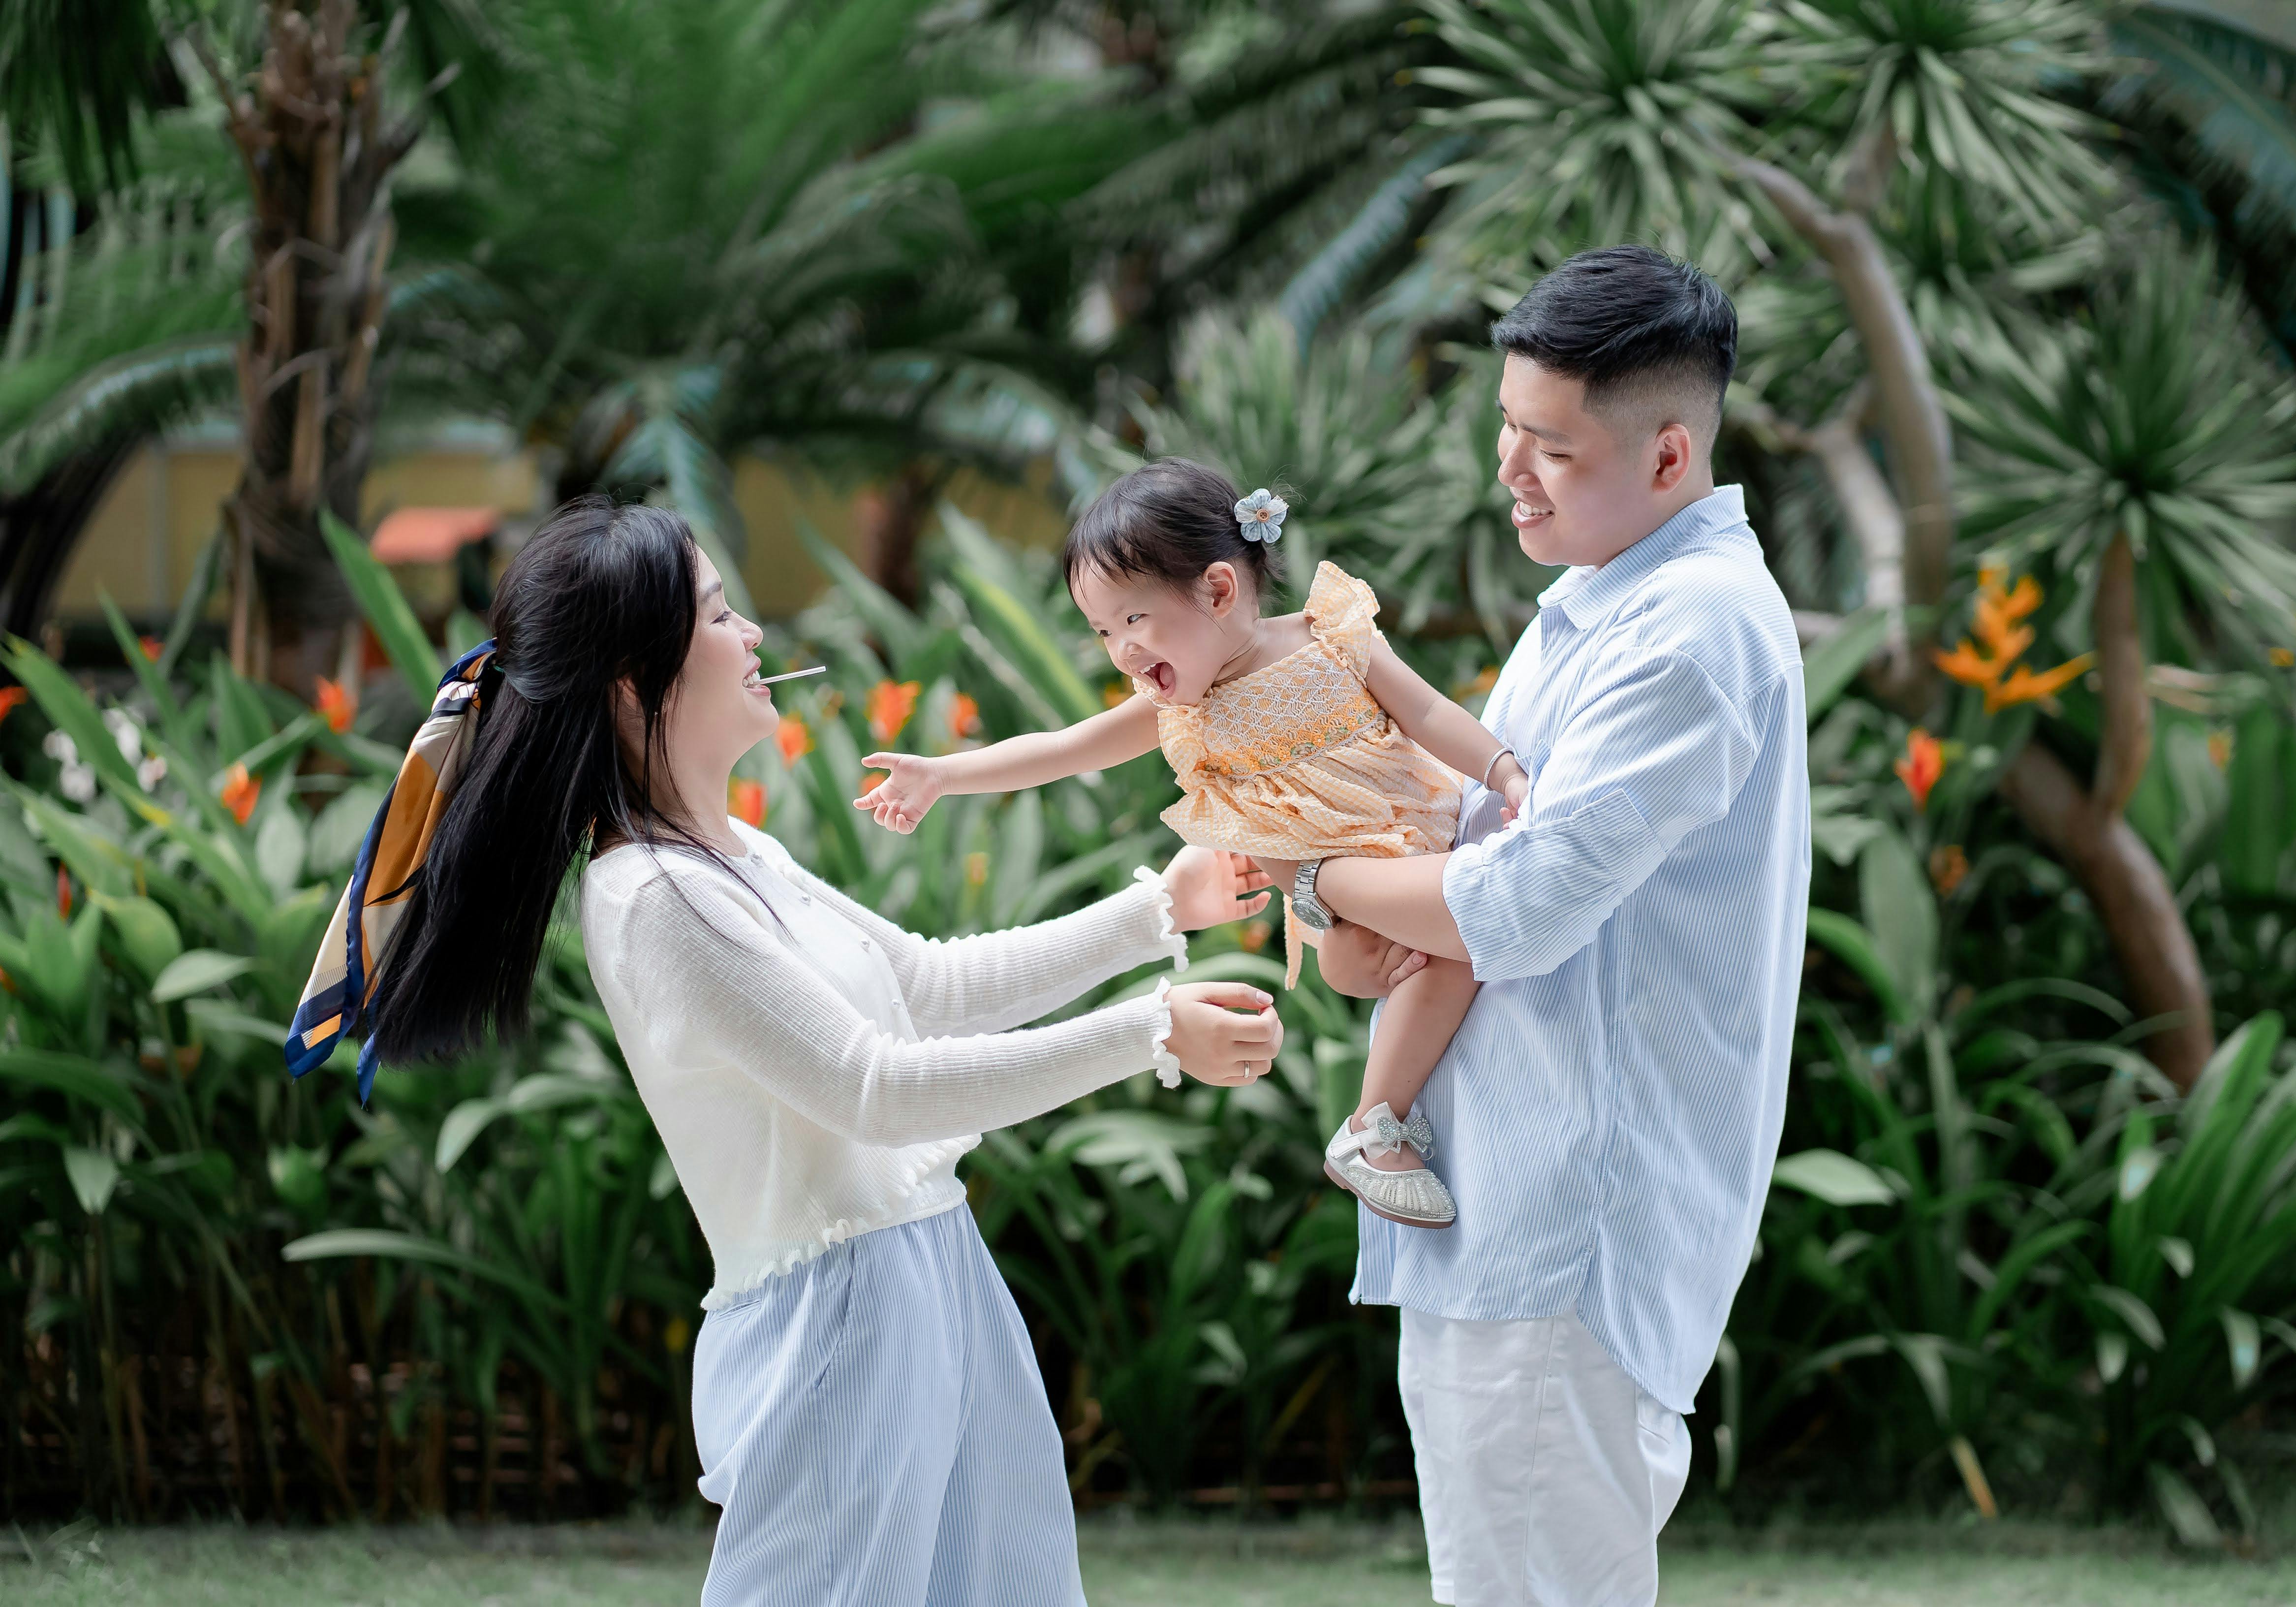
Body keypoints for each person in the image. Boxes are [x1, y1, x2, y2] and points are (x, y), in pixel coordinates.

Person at [296, 495, 1282, 1606]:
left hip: (931, 1274)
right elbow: (876, 1086)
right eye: (720, 616)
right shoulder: (655, 896)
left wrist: (1160, 909)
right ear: (634, 682)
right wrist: (1149, 1030)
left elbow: (924, 984)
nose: (753, 635)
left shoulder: (725, 851)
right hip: (839, 1325)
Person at [1250, 247, 1811, 1606]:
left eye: (1549, 448)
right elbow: (1456, 856)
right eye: (1507, 432)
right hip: (1503, 1212)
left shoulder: (1688, 635)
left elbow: (1511, 908)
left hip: (1563, 1237)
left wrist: (1309, 872)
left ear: (1669, 454)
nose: (1509, 470)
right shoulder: (1599, 606)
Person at [855, 460, 1532, 1231]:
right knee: (1406, 957)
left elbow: (1429, 710)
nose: (1119, 652)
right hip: (1357, 881)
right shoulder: (1180, 711)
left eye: (1133, 621)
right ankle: (1374, 1126)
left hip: (1424, 834)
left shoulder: (1331, 637)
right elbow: (1062, 747)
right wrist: (942, 774)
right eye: (1103, 630)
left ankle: (1379, 1117)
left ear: (1217, 591)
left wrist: (1503, 770)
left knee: (1437, 945)